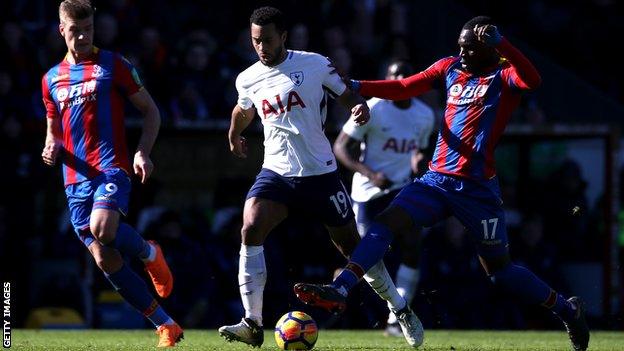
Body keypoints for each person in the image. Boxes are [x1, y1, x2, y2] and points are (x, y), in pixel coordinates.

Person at [294, 16, 589, 351]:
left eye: (469, 48)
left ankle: (568, 310)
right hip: (436, 181)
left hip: (477, 190)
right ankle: (342, 287)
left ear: (489, 48)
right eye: (459, 47)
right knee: (386, 223)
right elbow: (406, 86)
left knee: (500, 272)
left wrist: (503, 42)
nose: (461, 53)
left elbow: (533, 80)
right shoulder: (450, 68)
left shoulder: (503, 75)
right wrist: (358, 86)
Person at [218, 6, 423, 348]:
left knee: (353, 249)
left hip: (320, 174)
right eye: (255, 41)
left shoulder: (313, 64)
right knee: (250, 227)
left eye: (267, 40)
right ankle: (252, 322)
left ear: (284, 36)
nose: (261, 47)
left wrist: (358, 107)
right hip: (277, 172)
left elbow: (347, 93)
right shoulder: (248, 77)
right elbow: (243, 107)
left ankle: (399, 308)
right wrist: (233, 132)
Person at [40, 0, 183, 347]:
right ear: (62, 30)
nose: (84, 36)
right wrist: (50, 144)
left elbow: (151, 112)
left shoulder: (114, 64)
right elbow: (53, 125)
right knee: (105, 258)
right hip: (74, 179)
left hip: (111, 167)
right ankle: (166, 325)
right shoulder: (50, 79)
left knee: (104, 230)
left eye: (88, 29)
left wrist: (142, 152)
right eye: (76, 30)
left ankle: (150, 253)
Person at [333, 60, 434, 337]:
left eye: (405, 73)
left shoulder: (425, 114)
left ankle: (396, 319)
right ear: (387, 80)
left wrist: (418, 161)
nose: (400, 77)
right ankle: (376, 306)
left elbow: (420, 150)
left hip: (401, 189)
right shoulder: (374, 107)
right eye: (394, 74)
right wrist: (370, 173)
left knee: (413, 245)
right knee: (368, 257)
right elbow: (341, 146)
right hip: (367, 191)